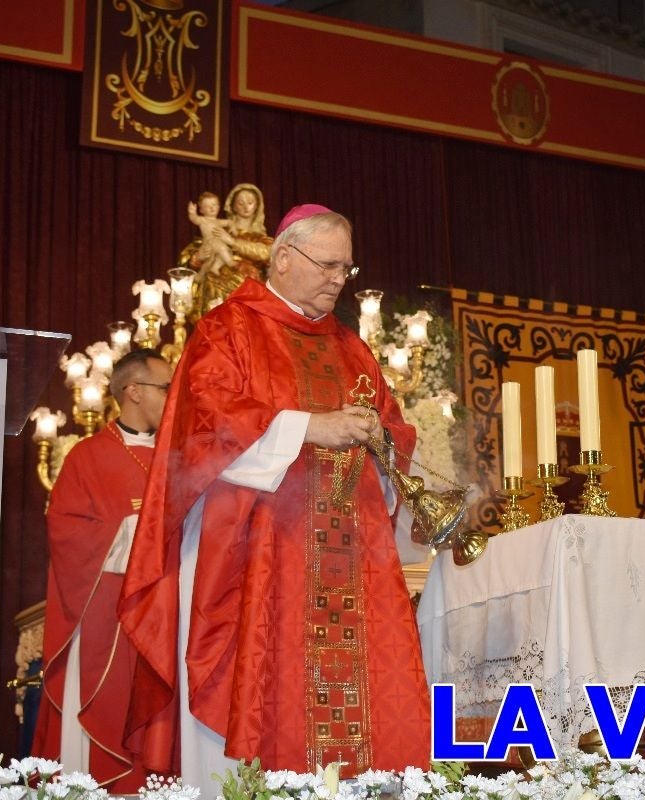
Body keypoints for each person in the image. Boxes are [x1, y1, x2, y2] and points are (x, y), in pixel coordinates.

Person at [119, 204, 429, 795]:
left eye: (347, 267)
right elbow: (203, 426)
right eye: (329, 264)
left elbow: (394, 430)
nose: (340, 279)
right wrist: (311, 427)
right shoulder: (227, 329)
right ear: (284, 258)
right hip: (254, 556)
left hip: (351, 565)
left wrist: (382, 440)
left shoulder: (353, 348)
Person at [32, 348, 173, 790]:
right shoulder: (88, 457)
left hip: (172, 619)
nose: (176, 397)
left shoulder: (181, 457)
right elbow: (67, 533)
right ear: (133, 391)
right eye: (167, 388)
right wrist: (140, 530)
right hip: (108, 622)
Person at [184, 182, 274, 318]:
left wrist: (232, 242)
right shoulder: (220, 229)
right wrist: (199, 257)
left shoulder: (261, 238)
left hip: (247, 282)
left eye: (250, 202)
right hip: (215, 277)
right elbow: (193, 255)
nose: (245, 207)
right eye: (240, 203)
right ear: (232, 206)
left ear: (257, 206)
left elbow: (267, 253)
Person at [186, 191, 236, 278]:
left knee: (221, 255)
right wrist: (192, 213)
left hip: (218, 243)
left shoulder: (218, 221)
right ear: (201, 210)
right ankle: (230, 262)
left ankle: (214, 268)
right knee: (221, 250)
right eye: (207, 206)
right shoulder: (203, 220)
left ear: (219, 206)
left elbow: (229, 222)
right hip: (209, 243)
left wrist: (233, 227)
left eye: (214, 205)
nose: (212, 208)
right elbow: (194, 219)